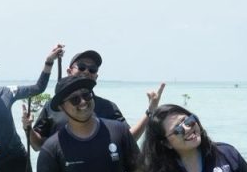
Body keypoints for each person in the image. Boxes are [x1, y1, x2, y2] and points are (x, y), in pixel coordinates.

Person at [28, 49, 165, 151]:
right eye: (81, 67)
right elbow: (37, 146)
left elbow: (128, 139)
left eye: (92, 69)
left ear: (96, 77)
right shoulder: (53, 106)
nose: (87, 71)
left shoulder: (108, 107)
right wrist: (27, 128)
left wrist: (150, 112)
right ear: (69, 72)